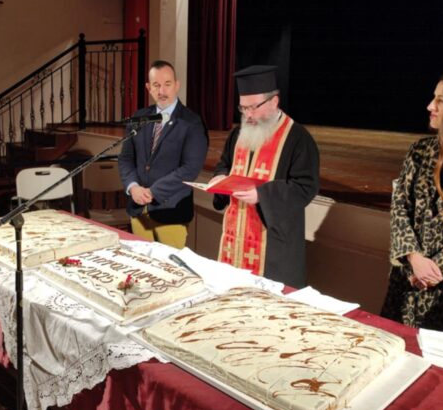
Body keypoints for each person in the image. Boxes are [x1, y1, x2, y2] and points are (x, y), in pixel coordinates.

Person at [211, 65, 320, 288]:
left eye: (254, 107)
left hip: (274, 246)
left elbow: (305, 187)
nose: (248, 115)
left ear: (274, 101)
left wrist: (261, 195)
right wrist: (220, 178)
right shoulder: (238, 133)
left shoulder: (298, 139)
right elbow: (225, 164)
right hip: (236, 240)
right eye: (243, 108)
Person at [381, 70, 443, 343]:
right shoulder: (419, 151)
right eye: (433, 98)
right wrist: (413, 258)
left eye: (440, 101)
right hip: (407, 282)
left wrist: (435, 270)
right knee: (398, 349)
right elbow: (400, 207)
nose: (430, 106)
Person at [118, 60, 208, 249]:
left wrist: (153, 192)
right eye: (156, 85)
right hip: (138, 208)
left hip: (171, 211)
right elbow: (126, 158)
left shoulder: (191, 122)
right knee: (141, 263)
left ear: (177, 85)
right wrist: (133, 187)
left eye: (167, 84)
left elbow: (190, 169)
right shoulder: (139, 117)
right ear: (148, 88)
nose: (162, 91)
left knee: (169, 266)